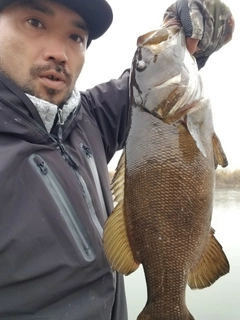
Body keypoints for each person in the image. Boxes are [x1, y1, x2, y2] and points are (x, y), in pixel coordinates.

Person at [0, 0, 234, 319]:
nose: (58, 52)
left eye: (76, 37)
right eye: (35, 23)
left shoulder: (89, 119)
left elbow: (149, 88)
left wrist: (190, 26)